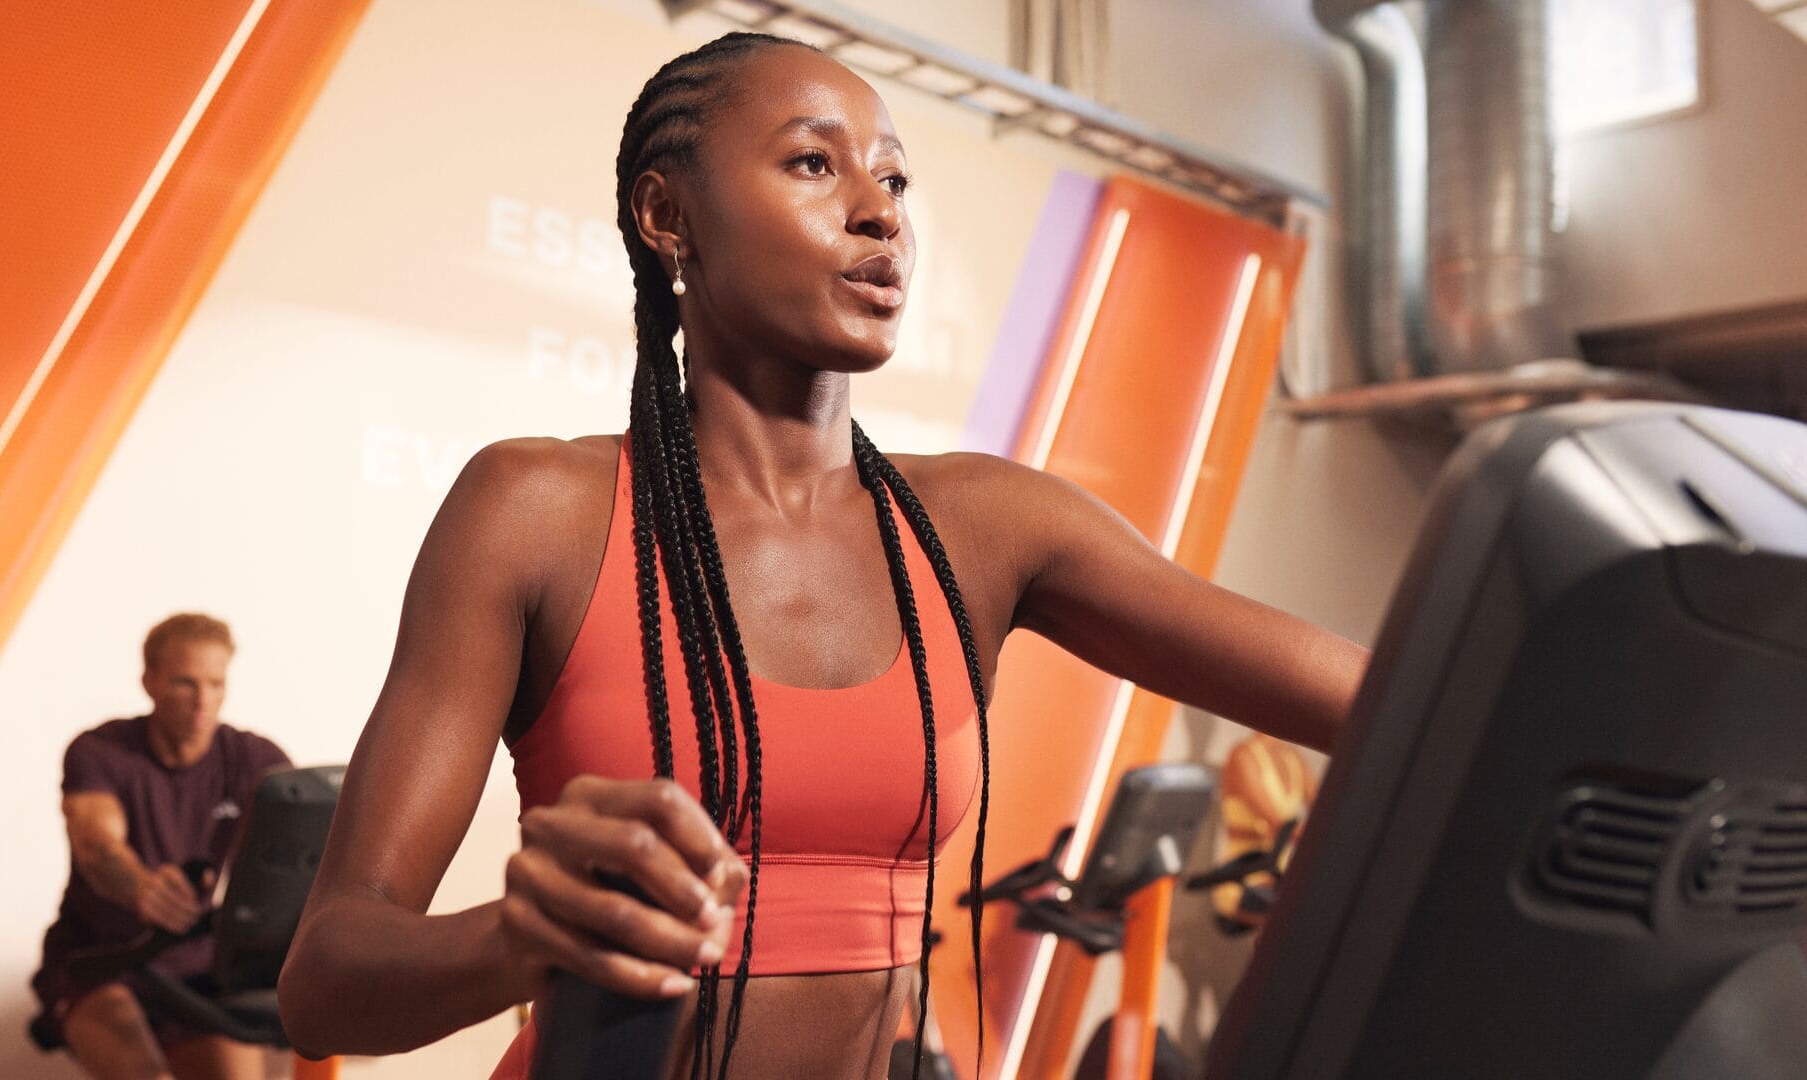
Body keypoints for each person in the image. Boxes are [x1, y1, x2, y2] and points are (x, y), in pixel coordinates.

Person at [278, 31, 1368, 1080]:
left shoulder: (986, 527)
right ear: (667, 216)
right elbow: (325, 979)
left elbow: (1388, 701)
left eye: (894, 183)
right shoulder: (537, 510)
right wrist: (517, 937)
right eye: (813, 163)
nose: (877, 216)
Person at [30, 613, 291, 1080]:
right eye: (184, 684)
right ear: (149, 681)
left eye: (215, 684)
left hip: (197, 970)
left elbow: (294, 851)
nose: (202, 702)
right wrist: (141, 888)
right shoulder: (100, 751)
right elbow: (96, 845)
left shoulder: (253, 760)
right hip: (100, 962)